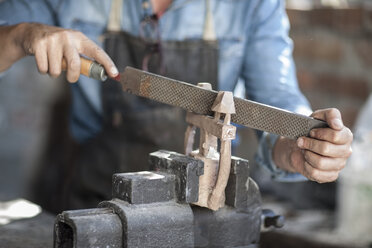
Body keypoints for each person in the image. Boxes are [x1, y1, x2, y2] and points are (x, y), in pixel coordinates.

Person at [0, 0, 353, 212]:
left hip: (209, 219)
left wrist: (297, 146)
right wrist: (19, 35)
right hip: (100, 206)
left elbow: (277, 101)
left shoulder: (251, 4)